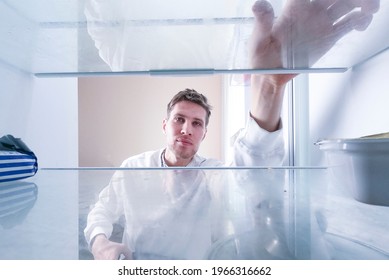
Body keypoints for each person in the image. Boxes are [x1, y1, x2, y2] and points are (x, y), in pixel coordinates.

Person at [84, 0, 380, 260]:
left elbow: (249, 176)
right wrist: (100, 245)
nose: (186, 129)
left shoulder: (213, 174)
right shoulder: (132, 168)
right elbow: (100, 212)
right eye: (179, 119)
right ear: (165, 125)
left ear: (204, 134)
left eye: (197, 123)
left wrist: (269, 87)